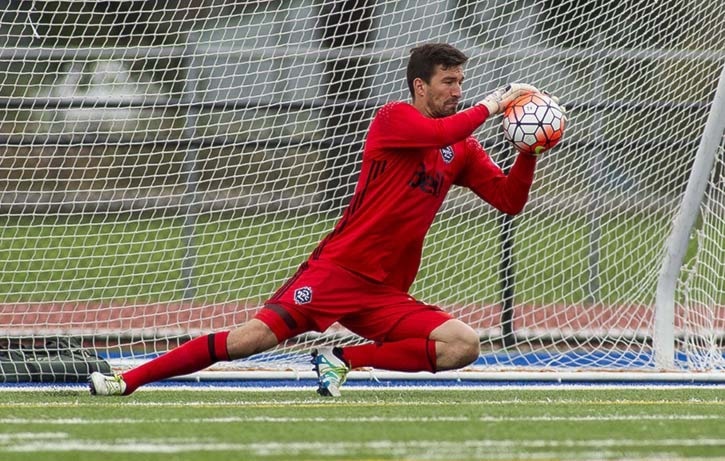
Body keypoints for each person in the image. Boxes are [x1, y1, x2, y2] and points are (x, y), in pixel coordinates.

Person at [89, 43, 550, 397]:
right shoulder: (395, 118)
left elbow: (508, 200)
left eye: (461, 82)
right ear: (419, 86)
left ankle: (342, 357)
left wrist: (528, 152)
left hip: (384, 289)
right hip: (339, 271)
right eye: (449, 82)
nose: (458, 90)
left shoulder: (462, 148)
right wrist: (496, 102)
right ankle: (127, 380)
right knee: (250, 339)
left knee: (462, 345)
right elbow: (439, 131)